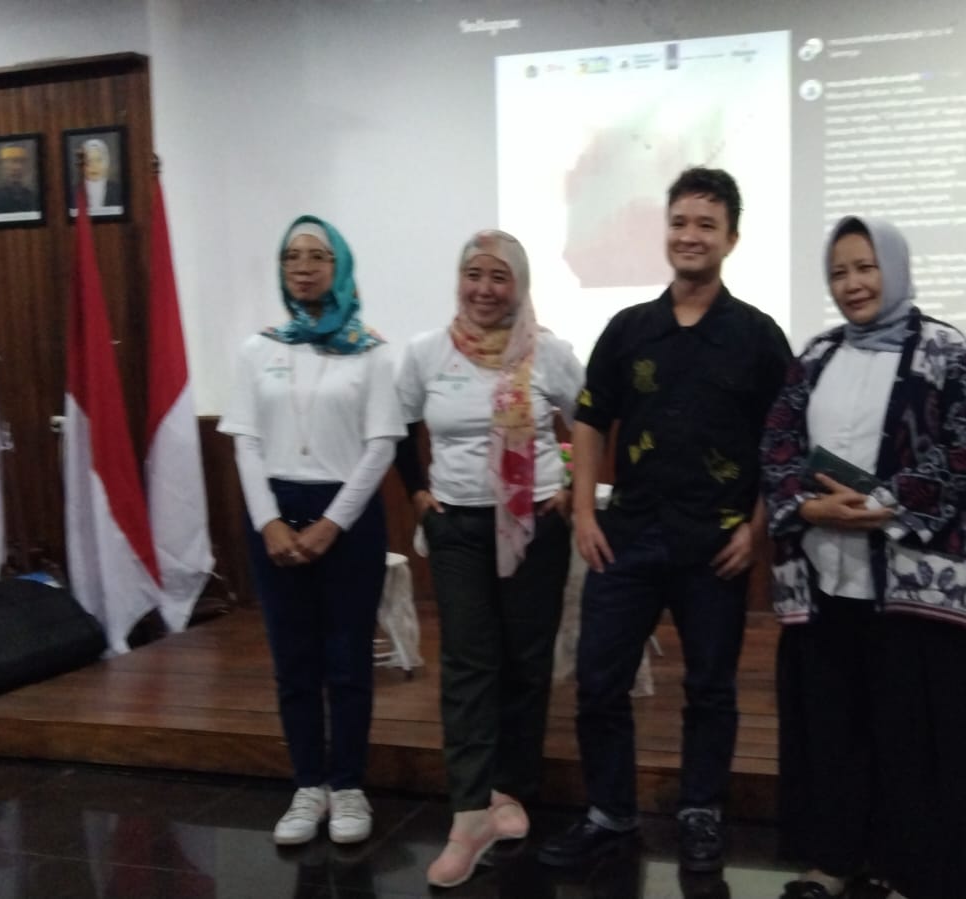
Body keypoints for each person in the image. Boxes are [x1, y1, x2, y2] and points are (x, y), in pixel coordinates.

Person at [538, 167, 792, 873]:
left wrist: (756, 529)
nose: (690, 235)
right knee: (598, 682)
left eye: (706, 224)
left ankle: (700, 811)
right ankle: (609, 813)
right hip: (629, 536)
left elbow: (784, 443)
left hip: (717, 542)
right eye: (679, 222)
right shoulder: (628, 330)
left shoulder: (757, 336)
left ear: (730, 239)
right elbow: (590, 419)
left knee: (710, 687)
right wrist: (584, 510)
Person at [761, 216, 966, 899]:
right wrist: (806, 506)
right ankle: (834, 859)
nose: (852, 284)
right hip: (826, 574)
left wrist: (888, 501)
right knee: (832, 723)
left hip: (913, 582)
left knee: (911, 731)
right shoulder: (815, 355)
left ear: (892, 269)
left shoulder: (946, 351)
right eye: (839, 272)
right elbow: (776, 439)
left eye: (865, 267)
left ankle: (915, 872)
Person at [393, 230, 585, 888]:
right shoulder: (427, 352)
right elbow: (400, 426)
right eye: (473, 274)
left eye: (499, 276)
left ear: (519, 285)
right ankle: (470, 809)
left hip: (535, 523)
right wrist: (418, 495)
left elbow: (589, 420)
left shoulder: (548, 352)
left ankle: (511, 788)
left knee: (527, 661)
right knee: (470, 662)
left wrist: (570, 488)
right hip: (459, 528)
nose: (484, 288)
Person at [218, 216, 405, 847]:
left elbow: (381, 447)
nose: (303, 267)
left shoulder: (371, 351)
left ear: (339, 266)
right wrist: (267, 520)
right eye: (292, 256)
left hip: (346, 513)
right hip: (274, 509)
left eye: (317, 256)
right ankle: (308, 785)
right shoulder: (259, 349)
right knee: (293, 659)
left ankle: (347, 784)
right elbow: (245, 441)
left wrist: (332, 523)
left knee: (348, 659)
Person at [77, 137, 123, 214]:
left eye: (98, 160)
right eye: (89, 161)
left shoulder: (118, 190)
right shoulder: (75, 192)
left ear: (106, 162)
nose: (94, 166)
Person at [0, 145, 37, 215]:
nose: (17, 167)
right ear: (2, 167)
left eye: (21, 162)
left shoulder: (33, 197)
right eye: (12, 162)